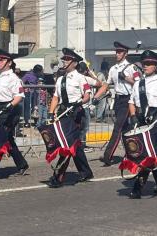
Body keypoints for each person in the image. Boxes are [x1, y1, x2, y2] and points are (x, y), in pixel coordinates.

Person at [120, 50, 157, 199]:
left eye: (149, 64)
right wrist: (134, 116)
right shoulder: (138, 84)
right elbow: (131, 102)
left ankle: (137, 187)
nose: (145, 66)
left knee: (146, 153)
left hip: (154, 120)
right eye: (144, 63)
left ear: (156, 66)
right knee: (147, 152)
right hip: (140, 119)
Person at [46, 48, 93, 188]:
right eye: (64, 59)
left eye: (67, 59)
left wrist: (79, 102)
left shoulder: (80, 78)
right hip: (63, 112)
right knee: (74, 145)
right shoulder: (60, 79)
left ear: (74, 63)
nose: (64, 61)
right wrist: (50, 112)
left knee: (67, 145)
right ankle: (85, 172)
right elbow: (55, 97)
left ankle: (58, 176)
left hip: (76, 113)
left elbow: (87, 95)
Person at [93, 41, 141, 166]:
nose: (117, 54)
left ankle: (107, 156)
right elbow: (106, 85)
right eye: (116, 52)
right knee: (125, 130)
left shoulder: (131, 67)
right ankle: (133, 153)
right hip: (118, 100)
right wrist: (96, 96)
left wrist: (125, 78)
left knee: (117, 128)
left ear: (125, 54)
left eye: (120, 52)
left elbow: (138, 84)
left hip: (128, 100)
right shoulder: (113, 69)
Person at [0, 48, 29, 177]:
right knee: (5, 139)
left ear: (9, 62)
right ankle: (22, 165)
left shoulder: (14, 78)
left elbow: (19, 96)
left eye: (2, 59)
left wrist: (7, 107)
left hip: (9, 110)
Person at [77, 61, 101, 152]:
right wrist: (91, 74)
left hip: (76, 106)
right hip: (84, 106)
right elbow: (99, 83)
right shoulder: (86, 78)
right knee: (84, 128)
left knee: (78, 127)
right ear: (85, 71)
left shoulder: (74, 78)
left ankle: (80, 145)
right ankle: (82, 146)